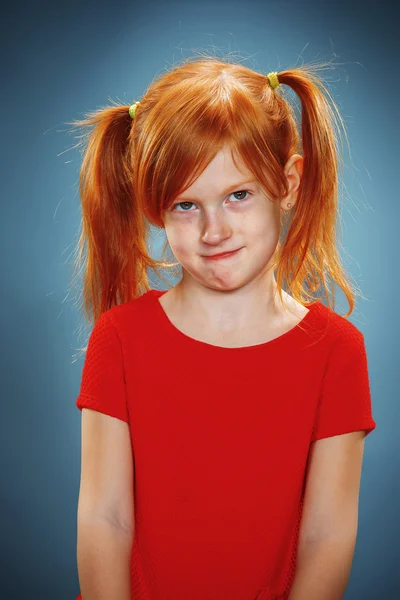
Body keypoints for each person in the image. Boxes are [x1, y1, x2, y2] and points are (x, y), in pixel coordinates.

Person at [71, 56, 376, 600]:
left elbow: (328, 535)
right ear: (156, 209)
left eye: (239, 195)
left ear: (287, 183)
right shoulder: (119, 338)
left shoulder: (336, 350)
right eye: (186, 205)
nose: (215, 230)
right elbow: (104, 518)